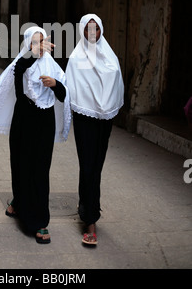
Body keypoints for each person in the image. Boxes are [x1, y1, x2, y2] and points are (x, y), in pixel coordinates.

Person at [0, 26, 71, 244]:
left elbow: (65, 95)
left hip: (44, 123)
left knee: (39, 170)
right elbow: (20, 74)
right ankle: (19, 202)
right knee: (20, 165)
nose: (39, 47)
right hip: (24, 121)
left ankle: (38, 222)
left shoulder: (52, 65)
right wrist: (34, 51)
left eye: (42, 42)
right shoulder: (22, 64)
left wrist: (55, 85)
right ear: (28, 44)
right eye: (34, 43)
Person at [66, 14, 124, 246]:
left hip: (105, 119)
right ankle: (89, 219)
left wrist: (105, 106)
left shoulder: (110, 57)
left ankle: (88, 206)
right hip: (85, 118)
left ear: (101, 30)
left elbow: (116, 84)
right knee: (88, 165)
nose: (93, 34)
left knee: (96, 165)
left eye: (96, 29)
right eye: (88, 29)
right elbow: (70, 88)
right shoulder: (76, 57)